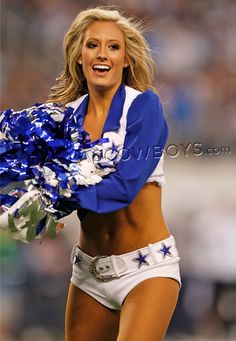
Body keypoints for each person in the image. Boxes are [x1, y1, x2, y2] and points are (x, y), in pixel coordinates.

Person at [49, 6, 181, 341]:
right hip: (88, 273)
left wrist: (51, 196)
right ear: (79, 56)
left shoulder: (145, 107)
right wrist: (25, 206)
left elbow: (124, 186)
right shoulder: (64, 119)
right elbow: (47, 183)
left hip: (146, 269)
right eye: (92, 45)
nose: (102, 54)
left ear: (126, 59)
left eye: (113, 46)